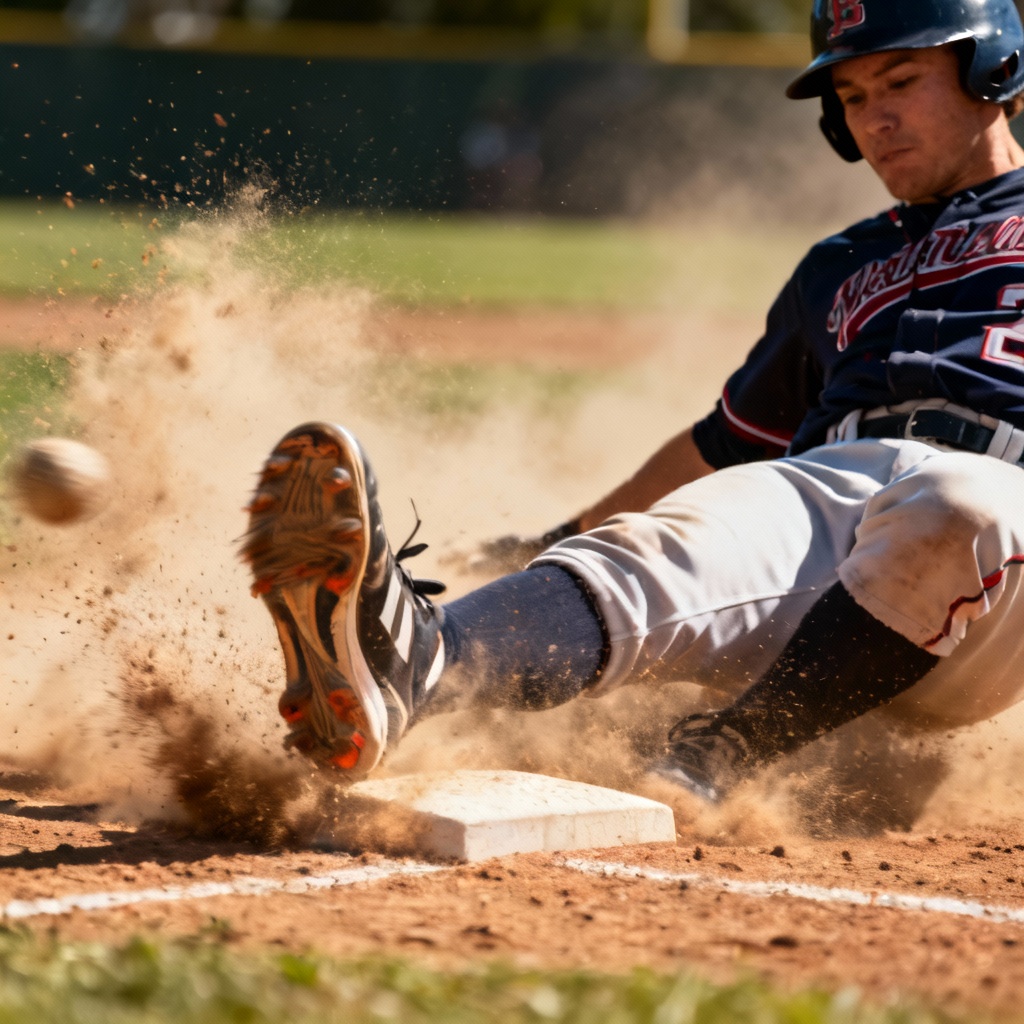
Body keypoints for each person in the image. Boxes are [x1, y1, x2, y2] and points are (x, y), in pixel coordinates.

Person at [241, 0, 1024, 806]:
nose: (876, 118)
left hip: (1006, 556)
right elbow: (725, 442)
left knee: (957, 502)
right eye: (854, 97)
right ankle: (420, 666)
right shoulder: (839, 263)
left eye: (901, 80)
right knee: (664, 551)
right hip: (841, 494)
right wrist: (558, 535)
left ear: (991, 71)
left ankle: (727, 750)